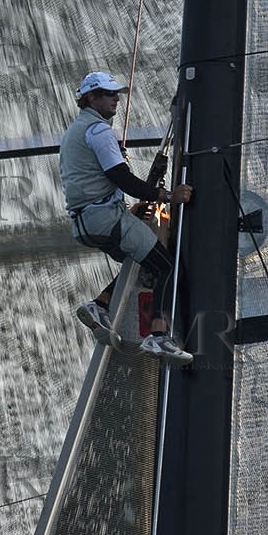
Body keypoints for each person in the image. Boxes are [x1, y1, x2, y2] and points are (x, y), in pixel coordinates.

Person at [59, 71, 193, 364]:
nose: (116, 99)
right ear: (90, 98)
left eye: (116, 93)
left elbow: (86, 182)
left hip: (85, 224)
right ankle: (158, 337)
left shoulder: (74, 132)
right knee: (169, 267)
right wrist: (168, 197)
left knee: (146, 261)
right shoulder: (99, 131)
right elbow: (122, 178)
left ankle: (100, 304)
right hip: (106, 218)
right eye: (108, 94)